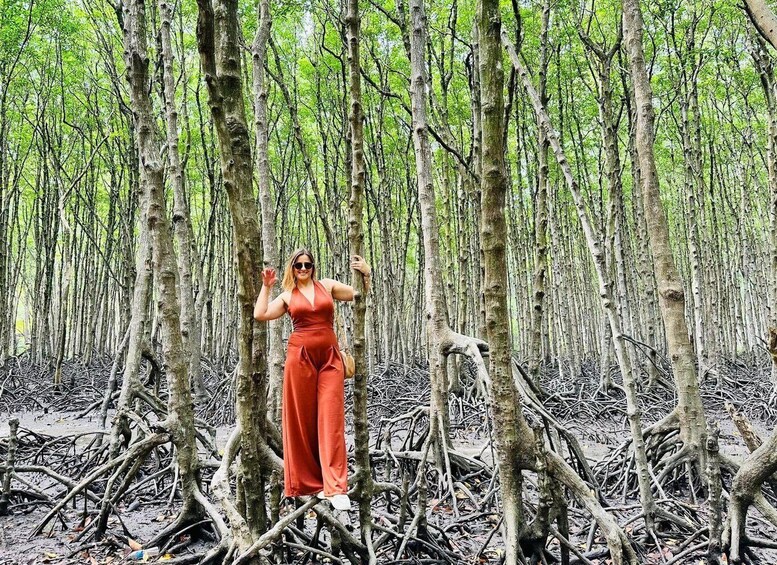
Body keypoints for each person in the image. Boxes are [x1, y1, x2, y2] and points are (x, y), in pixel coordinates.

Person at [253, 248, 371, 511]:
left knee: (331, 419)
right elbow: (260, 315)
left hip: (330, 358)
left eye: (307, 265)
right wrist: (266, 287)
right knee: (303, 420)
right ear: (292, 269)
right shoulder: (286, 296)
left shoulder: (326, 286)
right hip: (300, 358)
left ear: (313, 266)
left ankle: (336, 487)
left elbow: (358, 295)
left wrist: (366, 274)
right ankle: (310, 484)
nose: (303, 269)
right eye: (298, 266)